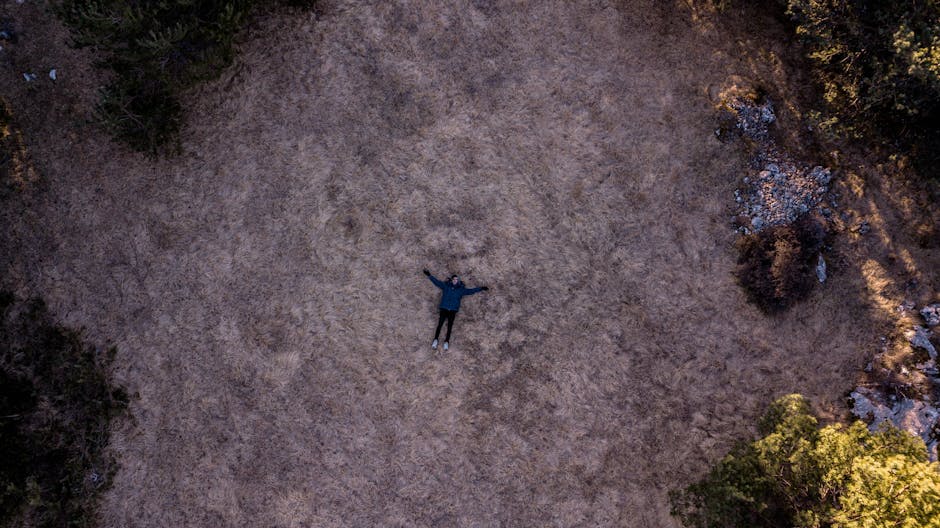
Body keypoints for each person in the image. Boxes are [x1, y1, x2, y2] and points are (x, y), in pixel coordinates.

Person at [423, 269, 488, 351]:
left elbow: (471, 291)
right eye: (454, 279)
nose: (455, 280)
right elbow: (437, 282)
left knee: (449, 327)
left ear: (458, 281)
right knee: (440, 325)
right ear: (451, 280)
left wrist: (481, 288)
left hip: (453, 311)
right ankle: (435, 340)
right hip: (444, 308)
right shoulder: (446, 286)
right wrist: (429, 275)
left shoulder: (461, 290)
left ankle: (446, 342)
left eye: (457, 279)